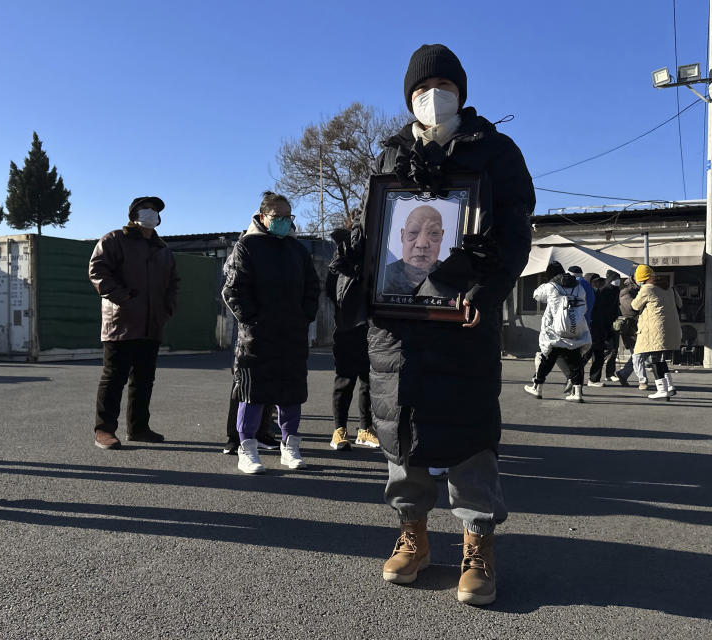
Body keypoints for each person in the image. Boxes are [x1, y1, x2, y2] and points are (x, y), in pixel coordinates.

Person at [332, 44, 535, 605]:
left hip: (464, 318)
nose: (432, 96)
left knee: (469, 434)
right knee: (402, 435)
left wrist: (486, 285)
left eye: (444, 85)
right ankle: (413, 535)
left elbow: (516, 234)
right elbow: (379, 229)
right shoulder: (391, 153)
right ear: (409, 98)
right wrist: (360, 267)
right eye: (422, 89)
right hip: (397, 323)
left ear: (462, 94)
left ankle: (478, 544)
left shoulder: (497, 151)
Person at [221, 191, 320, 474]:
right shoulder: (247, 246)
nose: (284, 222)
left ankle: (290, 447)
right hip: (257, 336)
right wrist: (252, 321)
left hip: (292, 334)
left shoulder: (298, 249)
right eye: (278, 217)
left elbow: (312, 288)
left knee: (291, 393)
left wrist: (304, 318)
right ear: (263, 217)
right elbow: (232, 290)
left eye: (288, 217)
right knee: (253, 393)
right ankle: (247, 449)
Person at [89, 196, 179, 448]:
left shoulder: (163, 249)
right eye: (145, 209)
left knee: (144, 378)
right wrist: (124, 298)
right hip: (121, 321)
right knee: (113, 377)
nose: (151, 213)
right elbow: (97, 271)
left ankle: (139, 427)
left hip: (152, 323)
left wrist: (167, 308)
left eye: (155, 210)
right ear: (133, 215)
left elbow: (173, 281)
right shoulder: (114, 240)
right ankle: (104, 430)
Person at [327, 227, 379, 450]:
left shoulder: (378, 249)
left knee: (369, 381)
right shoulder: (344, 252)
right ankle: (339, 430)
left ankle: (365, 430)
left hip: (371, 325)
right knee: (345, 381)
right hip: (348, 326)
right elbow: (332, 288)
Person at [524, 266, 591, 402]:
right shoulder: (579, 287)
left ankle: (538, 388)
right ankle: (577, 393)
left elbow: (536, 295)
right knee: (575, 361)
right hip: (574, 329)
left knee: (547, 359)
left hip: (555, 331)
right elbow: (584, 306)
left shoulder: (551, 286)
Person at [381, 205, 456, 300]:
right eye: (413, 232)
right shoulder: (382, 278)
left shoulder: (453, 279)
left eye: (433, 233)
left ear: (441, 236)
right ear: (402, 236)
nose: (421, 244)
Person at [631, 265, 682, 400]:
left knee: (654, 360)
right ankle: (669, 386)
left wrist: (640, 290)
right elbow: (680, 303)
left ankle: (661, 390)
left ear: (641, 278)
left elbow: (634, 305)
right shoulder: (668, 287)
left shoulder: (647, 288)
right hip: (671, 328)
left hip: (655, 330)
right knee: (660, 359)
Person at [586, 271, 621, 386]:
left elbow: (613, 309)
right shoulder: (600, 291)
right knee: (588, 353)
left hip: (604, 326)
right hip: (593, 326)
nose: (596, 284)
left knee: (600, 353)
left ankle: (594, 379)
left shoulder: (613, 291)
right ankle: (574, 377)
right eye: (594, 282)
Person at [613, 277, 648, 389]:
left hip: (640, 326)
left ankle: (623, 373)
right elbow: (631, 307)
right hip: (631, 328)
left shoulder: (638, 291)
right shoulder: (626, 292)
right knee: (638, 353)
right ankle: (643, 380)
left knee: (641, 354)